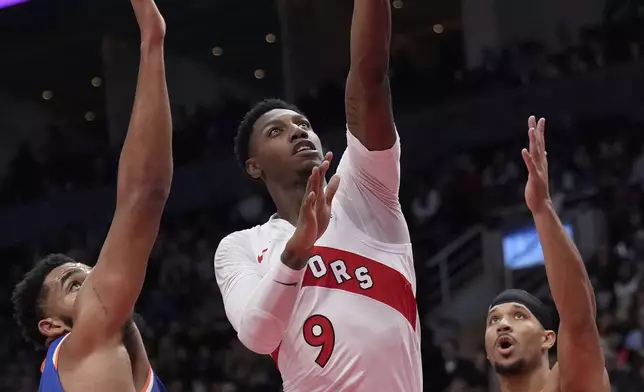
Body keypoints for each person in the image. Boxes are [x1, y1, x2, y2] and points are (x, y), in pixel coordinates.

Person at [214, 0, 421, 390]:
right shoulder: (240, 246)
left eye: (303, 124)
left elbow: (369, 81)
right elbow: (258, 335)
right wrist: (300, 246)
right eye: (275, 132)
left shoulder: (362, 190)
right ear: (254, 166)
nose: (297, 132)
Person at [11, 1, 172, 390]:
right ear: (50, 325)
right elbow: (144, 193)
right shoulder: (85, 340)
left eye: (90, 274)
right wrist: (152, 41)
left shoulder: (110, 361)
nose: (98, 279)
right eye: (76, 285)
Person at [484, 116, 610, 392]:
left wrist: (542, 209)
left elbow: (579, 319)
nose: (503, 324)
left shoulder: (571, 383)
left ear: (548, 338)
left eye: (519, 316)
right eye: (494, 320)